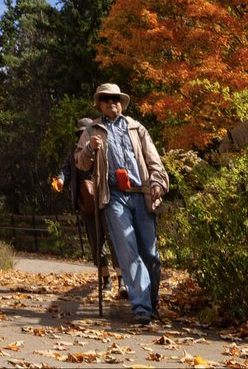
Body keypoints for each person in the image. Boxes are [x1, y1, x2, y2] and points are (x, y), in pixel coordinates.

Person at [75, 83, 169, 325]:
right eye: (105, 99)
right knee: (128, 251)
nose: (111, 102)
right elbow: (80, 163)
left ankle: (152, 300)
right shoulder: (92, 130)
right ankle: (142, 307)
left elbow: (154, 160)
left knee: (151, 254)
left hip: (142, 193)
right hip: (114, 197)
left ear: (121, 102)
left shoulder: (137, 128)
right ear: (99, 104)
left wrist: (158, 182)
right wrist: (89, 149)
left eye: (115, 98)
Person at [53, 117, 123, 296]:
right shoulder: (74, 152)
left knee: (114, 239)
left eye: (87, 132)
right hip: (86, 203)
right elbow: (66, 169)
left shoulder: (104, 147)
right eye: (80, 133)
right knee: (95, 242)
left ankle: (122, 281)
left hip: (106, 199)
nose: (83, 136)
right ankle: (106, 280)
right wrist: (60, 179)